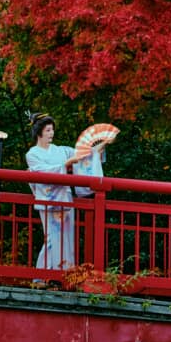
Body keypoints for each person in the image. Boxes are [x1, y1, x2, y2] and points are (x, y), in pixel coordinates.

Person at [25, 112, 107, 272]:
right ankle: (42, 275)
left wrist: (98, 147)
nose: (51, 133)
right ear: (39, 132)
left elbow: (83, 155)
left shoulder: (61, 150)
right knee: (51, 238)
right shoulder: (32, 154)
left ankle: (65, 274)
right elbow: (42, 172)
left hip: (65, 197)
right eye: (48, 130)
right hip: (47, 199)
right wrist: (65, 164)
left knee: (67, 238)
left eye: (52, 130)